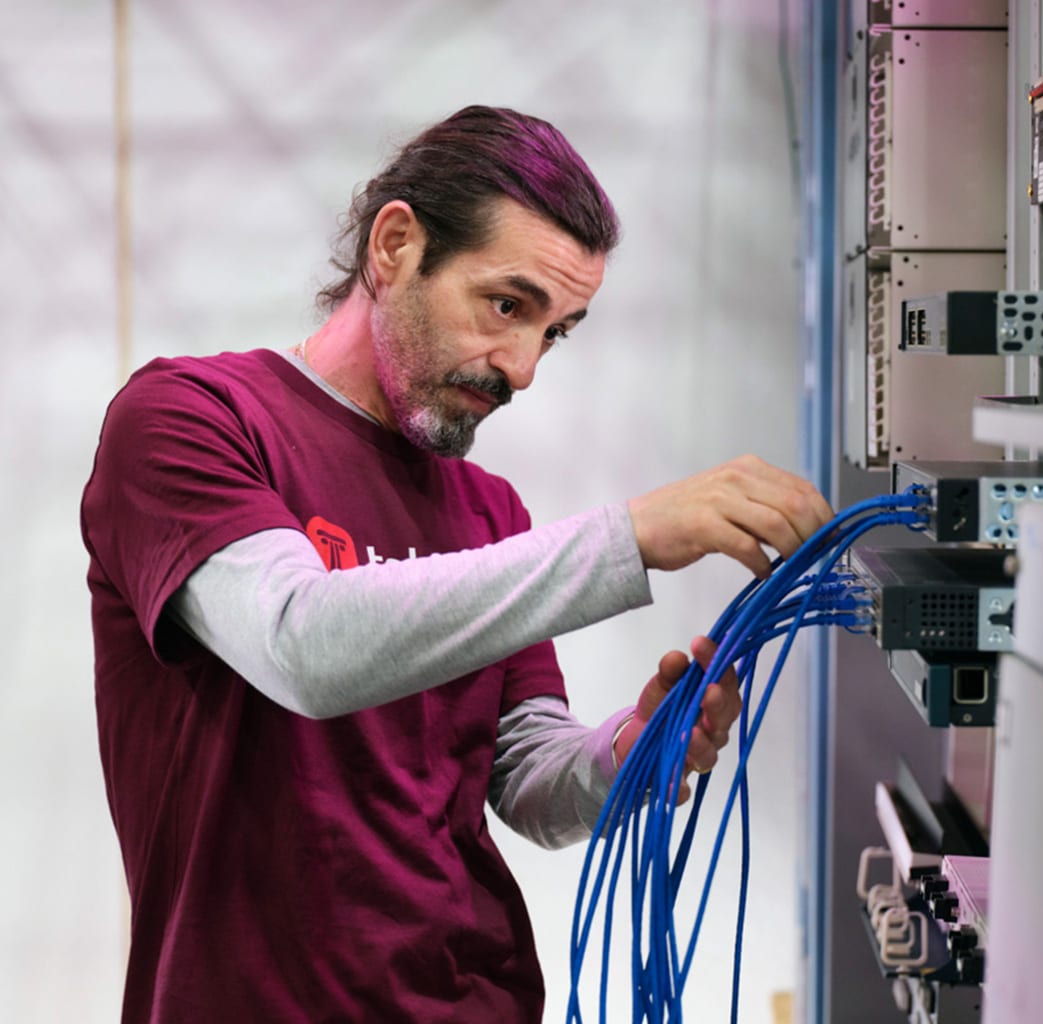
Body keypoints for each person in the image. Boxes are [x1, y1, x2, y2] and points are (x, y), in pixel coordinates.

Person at [81, 105, 832, 1023]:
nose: (521, 368)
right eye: (507, 306)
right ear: (395, 246)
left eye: (554, 331)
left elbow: (525, 781)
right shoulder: (192, 419)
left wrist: (629, 752)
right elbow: (299, 645)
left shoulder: (490, 513)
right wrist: (629, 536)